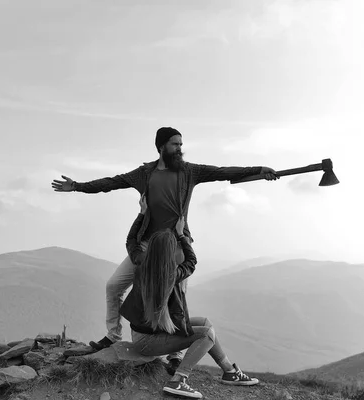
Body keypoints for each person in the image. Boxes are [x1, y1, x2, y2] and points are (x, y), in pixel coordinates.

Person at [51, 127, 278, 373]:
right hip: (147, 245)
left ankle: (175, 355)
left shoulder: (190, 171)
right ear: (160, 147)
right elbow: (111, 183)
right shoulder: (144, 174)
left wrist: (258, 170)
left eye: (181, 144)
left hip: (177, 244)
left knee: (176, 297)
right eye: (174, 144)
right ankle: (112, 336)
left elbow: (222, 172)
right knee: (114, 286)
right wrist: (77, 186)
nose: (180, 148)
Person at [120, 195, 259, 399]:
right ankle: (178, 380)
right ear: (169, 254)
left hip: (143, 333)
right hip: (148, 342)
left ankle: (229, 371)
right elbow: (192, 260)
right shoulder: (172, 275)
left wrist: (142, 214)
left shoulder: (141, 262)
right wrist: (181, 235)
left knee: (205, 322)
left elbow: (131, 241)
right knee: (206, 334)